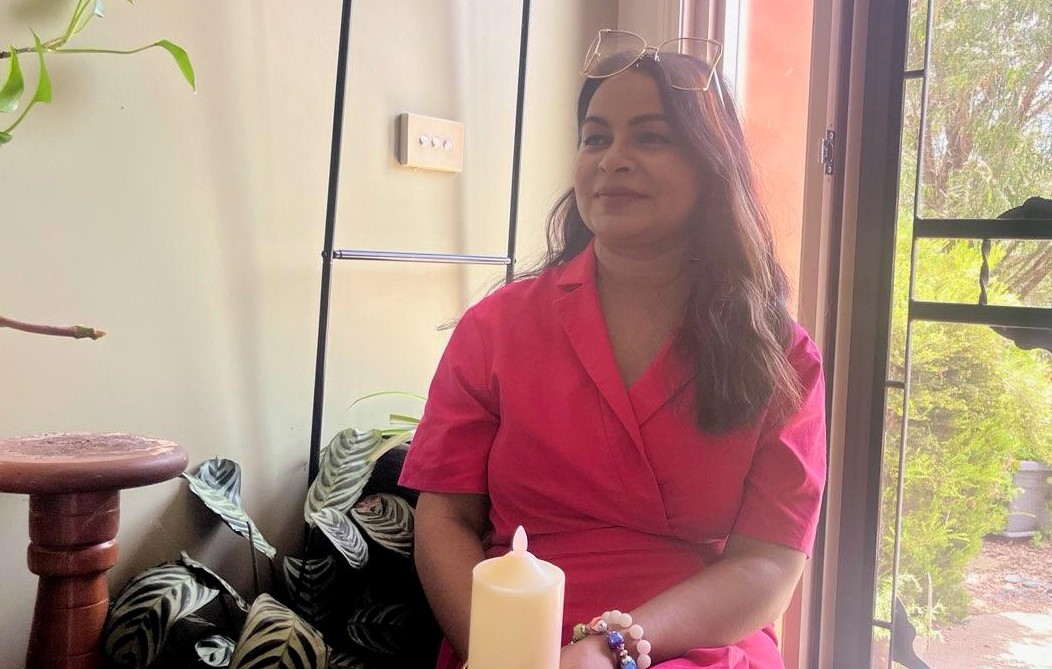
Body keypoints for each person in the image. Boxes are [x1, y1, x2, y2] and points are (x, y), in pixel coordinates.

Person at [398, 30, 827, 669]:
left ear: (711, 166)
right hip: (512, 637)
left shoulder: (780, 357)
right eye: (595, 138)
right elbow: (444, 521)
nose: (612, 160)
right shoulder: (496, 328)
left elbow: (768, 562)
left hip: (694, 640)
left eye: (650, 138)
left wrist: (611, 647)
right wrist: (505, 653)